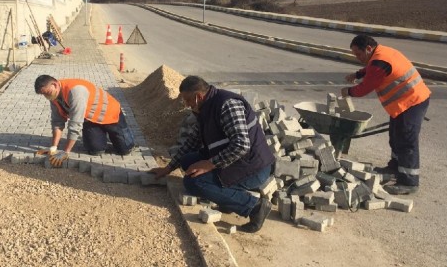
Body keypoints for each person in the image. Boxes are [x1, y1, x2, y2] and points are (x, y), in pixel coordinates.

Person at [150, 76, 275, 233]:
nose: (186, 105)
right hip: (234, 160)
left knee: (194, 182)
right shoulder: (204, 108)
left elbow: (241, 145)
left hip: (252, 166)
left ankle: (255, 207)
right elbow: (192, 142)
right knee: (188, 161)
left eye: (188, 100)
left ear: (199, 96)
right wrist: (168, 168)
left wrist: (208, 165)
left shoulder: (227, 105)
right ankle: (227, 199)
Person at [341, 34, 431, 195]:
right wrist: (357, 74)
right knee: (395, 136)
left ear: (368, 48)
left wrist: (348, 91)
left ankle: (409, 182)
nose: (357, 57)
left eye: (359, 54)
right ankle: (395, 168)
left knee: (406, 140)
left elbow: (365, 88)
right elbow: (369, 67)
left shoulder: (380, 62)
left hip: (412, 101)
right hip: (404, 103)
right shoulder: (380, 53)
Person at [34, 75, 136, 167]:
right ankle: (102, 135)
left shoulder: (75, 91)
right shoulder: (54, 96)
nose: (47, 97)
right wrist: (53, 147)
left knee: (125, 150)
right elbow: (57, 122)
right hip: (91, 119)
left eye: (48, 93)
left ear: (54, 84)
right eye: (44, 95)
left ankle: (123, 137)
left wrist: (66, 152)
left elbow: (75, 124)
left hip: (109, 114)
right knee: (95, 150)